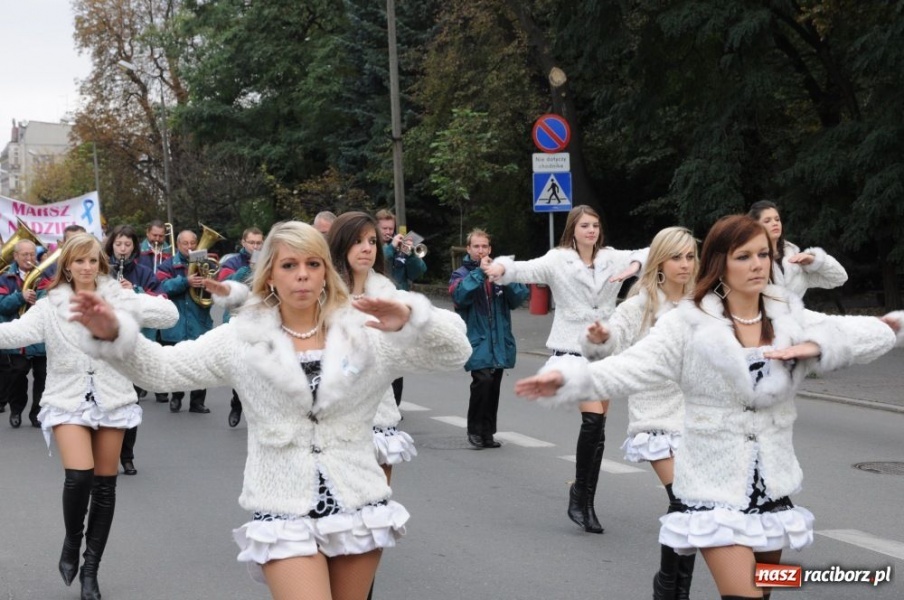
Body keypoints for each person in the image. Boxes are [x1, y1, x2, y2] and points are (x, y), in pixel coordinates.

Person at [68, 220, 471, 600]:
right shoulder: (241, 339)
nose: (302, 275)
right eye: (289, 265)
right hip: (283, 507)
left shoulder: (365, 329)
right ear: (271, 276)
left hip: (358, 502)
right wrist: (114, 334)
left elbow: (455, 353)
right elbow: (162, 370)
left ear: (327, 272)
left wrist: (411, 320)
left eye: (313, 264)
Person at [515, 215, 903, 600]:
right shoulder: (686, 322)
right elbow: (630, 367)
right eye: (743, 256)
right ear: (720, 262)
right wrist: (570, 378)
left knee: (764, 591)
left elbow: (866, 331)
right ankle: (670, 588)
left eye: (763, 255)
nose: (757, 264)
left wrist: (819, 344)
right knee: (744, 593)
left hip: (772, 488)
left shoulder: (785, 314)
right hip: (710, 489)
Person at [0, 233, 176, 600]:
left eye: (93, 260)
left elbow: (169, 315)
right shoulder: (49, 307)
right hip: (67, 399)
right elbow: (13, 333)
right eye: (79, 260)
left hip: (113, 398)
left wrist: (130, 299)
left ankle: (90, 569)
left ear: (101, 264)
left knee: (105, 487)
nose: (86, 267)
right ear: (66, 264)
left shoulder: (118, 298)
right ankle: (72, 541)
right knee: (79, 476)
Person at [482, 204, 646, 533]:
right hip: (572, 353)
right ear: (572, 229)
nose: (591, 230)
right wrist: (500, 268)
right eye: (585, 225)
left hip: (605, 352)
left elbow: (652, 251)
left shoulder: (612, 257)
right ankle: (580, 498)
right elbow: (525, 269)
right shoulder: (558, 259)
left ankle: (584, 499)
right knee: (593, 419)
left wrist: (634, 266)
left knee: (599, 431)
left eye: (595, 225)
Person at [580, 226, 698, 599]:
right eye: (676, 257)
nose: (685, 264)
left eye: (690, 256)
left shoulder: (704, 304)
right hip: (656, 416)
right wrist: (600, 338)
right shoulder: (640, 305)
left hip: (698, 419)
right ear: (659, 261)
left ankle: (676, 588)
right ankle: (667, 586)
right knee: (683, 500)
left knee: (697, 509)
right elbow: (611, 337)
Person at [449, 228, 529, 449]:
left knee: (493, 385)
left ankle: (487, 433)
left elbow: (519, 298)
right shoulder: (461, 274)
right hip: (477, 340)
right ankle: (474, 431)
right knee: (482, 381)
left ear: (490, 249)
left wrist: (505, 277)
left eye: (484, 246)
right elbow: (459, 297)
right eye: (476, 246)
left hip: (499, 340)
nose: (481, 250)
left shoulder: (500, 271)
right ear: (468, 249)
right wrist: (479, 273)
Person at [105, 224, 167, 475]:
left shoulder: (143, 272)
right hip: (106, 345)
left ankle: (127, 456)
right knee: (107, 403)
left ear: (134, 247)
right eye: (118, 244)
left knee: (130, 402)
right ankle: (106, 454)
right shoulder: (101, 271)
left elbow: (162, 300)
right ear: (111, 246)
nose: (122, 249)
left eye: (127, 245)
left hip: (135, 344)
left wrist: (136, 291)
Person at [154, 230, 214, 413]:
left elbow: (216, 288)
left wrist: (208, 283)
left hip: (199, 321)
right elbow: (161, 287)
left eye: (193, 243)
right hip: (176, 323)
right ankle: (176, 397)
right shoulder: (167, 265)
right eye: (185, 243)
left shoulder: (206, 262)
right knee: (176, 364)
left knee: (200, 364)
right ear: (178, 245)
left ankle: (197, 402)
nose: (189, 247)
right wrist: (186, 282)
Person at [376, 209, 428, 410]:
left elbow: (418, 273)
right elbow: (377, 265)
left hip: (400, 309)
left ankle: (394, 407)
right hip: (380, 308)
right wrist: (390, 248)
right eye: (384, 228)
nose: (388, 232)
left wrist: (410, 253)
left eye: (391, 228)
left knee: (398, 359)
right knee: (381, 360)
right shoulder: (372, 248)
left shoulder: (400, 250)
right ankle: (380, 406)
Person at [748, 201, 847, 299]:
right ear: (754, 226)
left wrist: (815, 260)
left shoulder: (796, 263)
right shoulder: (747, 261)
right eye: (767, 221)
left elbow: (839, 278)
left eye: (777, 219)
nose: (775, 223)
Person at [217, 227, 265, 427]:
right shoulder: (232, 263)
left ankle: (258, 412)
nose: (255, 246)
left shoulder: (268, 261)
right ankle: (237, 403)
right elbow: (225, 287)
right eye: (252, 242)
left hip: (261, 320)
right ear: (243, 243)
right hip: (237, 319)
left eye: (259, 243)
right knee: (241, 366)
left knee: (260, 368)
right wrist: (249, 270)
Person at [0, 239, 47, 428]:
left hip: (40, 338)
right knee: (18, 374)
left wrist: (40, 298)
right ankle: (16, 410)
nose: (29, 258)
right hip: (18, 339)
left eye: (32, 254)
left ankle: (37, 413)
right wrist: (21, 296)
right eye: (25, 254)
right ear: (15, 256)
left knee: (42, 376)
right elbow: (2, 306)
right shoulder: (5, 278)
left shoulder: (44, 276)